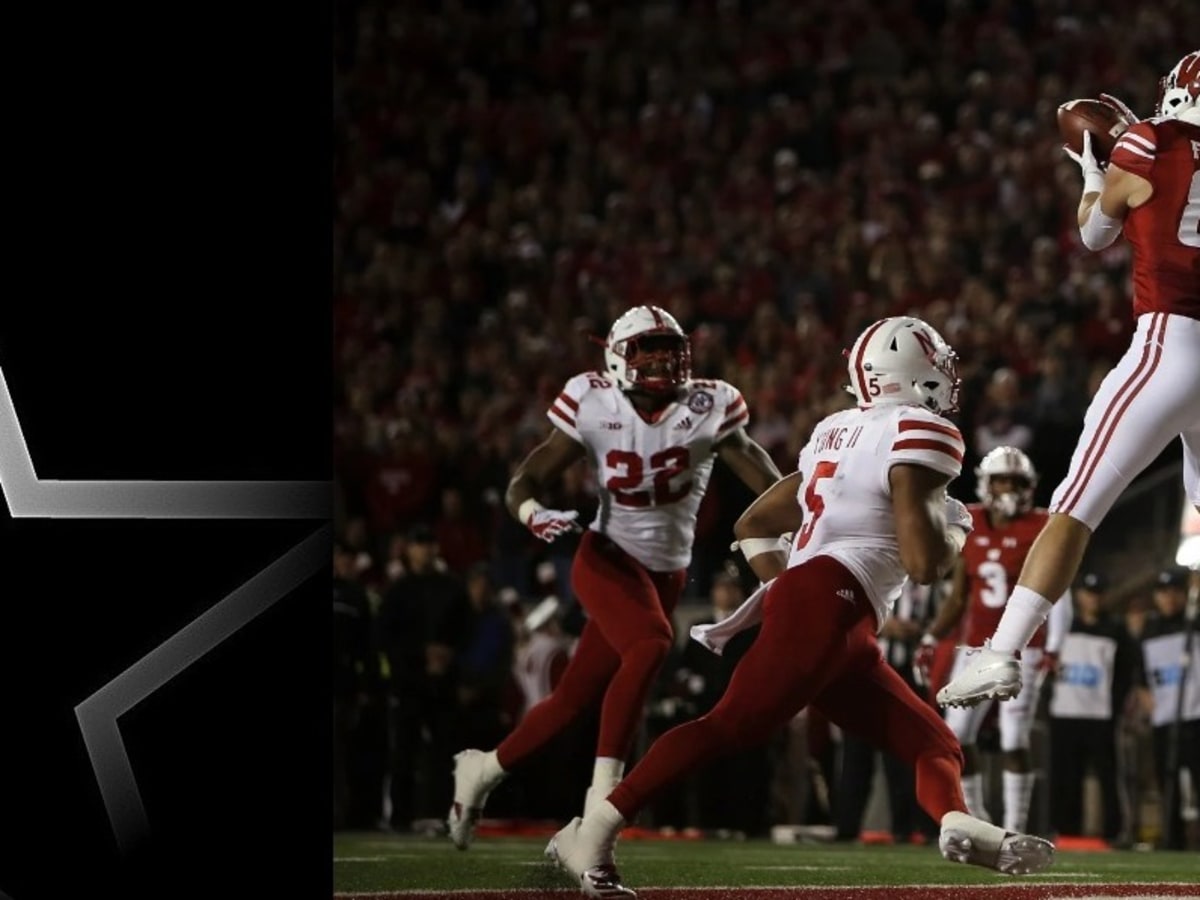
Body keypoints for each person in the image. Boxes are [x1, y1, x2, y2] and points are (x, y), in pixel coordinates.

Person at [546, 316, 1055, 897]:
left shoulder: (834, 429)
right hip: (831, 604)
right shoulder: (920, 432)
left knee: (936, 744)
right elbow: (923, 565)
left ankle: (958, 822)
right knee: (728, 726)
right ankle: (593, 832)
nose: (947, 375)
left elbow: (754, 524)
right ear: (911, 373)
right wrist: (955, 532)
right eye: (938, 363)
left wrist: (791, 587)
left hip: (837, 613)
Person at [446, 304, 783, 849]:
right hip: (607, 558)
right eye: (647, 349)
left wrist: (802, 515)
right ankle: (599, 809)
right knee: (650, 645)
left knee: (571, 699)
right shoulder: (590, 398)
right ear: (617, 355)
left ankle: (482, 771)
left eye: (670, 350)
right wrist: (532, 512)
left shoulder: (709, 404)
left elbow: (762, 476)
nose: (660, 361)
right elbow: (524, 480)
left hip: (666, 574)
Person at [938, 51, 1200, 711]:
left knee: (1076, 505)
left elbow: (1093, 232)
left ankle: (1000, 651)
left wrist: (1095, 171)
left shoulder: (1150, 140)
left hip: (1168, 347)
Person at [916, 446, 1072, 834]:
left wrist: (1053, 648)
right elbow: (959, 595)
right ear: (987, 483)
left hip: (1026, 647)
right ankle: (978, 817)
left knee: (1015, 737)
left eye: (1016, 482)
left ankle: (1016, 826)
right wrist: (932, 635)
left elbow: (1060, 591)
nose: (1008, 488)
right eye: (1002, 480)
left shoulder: (1042, 524)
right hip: (974, 646)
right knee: (957, 736)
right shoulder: (971, 521)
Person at [1047, 572, 1138, 843]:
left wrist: (1116, 706)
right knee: (1065, 775)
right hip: (1064, 712)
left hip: (1100, 714)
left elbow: (1125, 671)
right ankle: (1065, 829)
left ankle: (1113, 832)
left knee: (1108, 775)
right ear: (1078, 596)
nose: (1093, 599)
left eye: (1097, 594)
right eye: (1088, 593)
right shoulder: (1062, 627)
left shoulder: (1116, 630)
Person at [1136, 567, 1200, 850]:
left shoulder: (1193, 622)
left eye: (1175, 591)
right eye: (1163, 592)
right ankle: (1172, 840)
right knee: (1166, 782)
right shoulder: (1150, 629)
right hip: (1165, 718)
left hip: (1196, 716)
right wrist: (1146, 699)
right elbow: (1140, 675)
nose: (1169, 598)